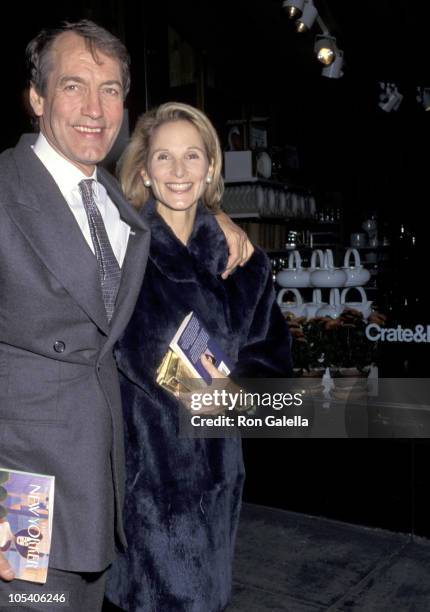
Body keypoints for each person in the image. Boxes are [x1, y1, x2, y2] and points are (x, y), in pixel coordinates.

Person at [0, 21, 252, 610]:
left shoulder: (123, 212)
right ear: (37, 98)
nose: (94, 108)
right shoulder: (5, 191)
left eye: (110, 89)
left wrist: (222, 221)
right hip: (23, 500)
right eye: (73, 86)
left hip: (111, 503)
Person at [104, 102, 292, 612]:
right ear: (144, 169)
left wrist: (234, 400)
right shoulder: (120, 252)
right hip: (146, 483)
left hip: (219, 481)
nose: (179, 171)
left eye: (192, 155)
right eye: (163, 157)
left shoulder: (245, 265)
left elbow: (272, 365)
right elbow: (127, 353)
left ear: (212, 166)